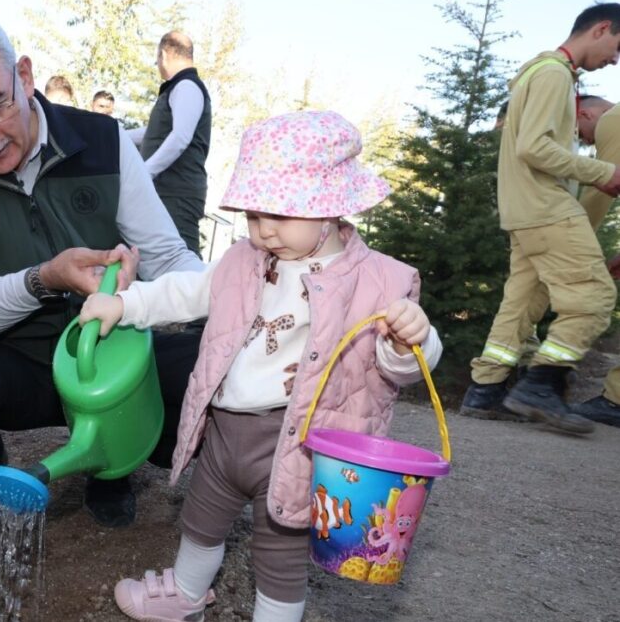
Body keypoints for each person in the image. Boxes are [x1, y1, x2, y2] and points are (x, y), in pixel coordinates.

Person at [80, 111, 442, 622]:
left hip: (299, 442)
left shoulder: (378, 281)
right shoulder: (244, 260)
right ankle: (186, 593)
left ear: (330, 206)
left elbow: (402, 367)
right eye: (253, 214)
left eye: (280, 214)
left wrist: (410, 340)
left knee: (280, 554)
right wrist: (125, 304)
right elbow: (186, 291)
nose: (264, 230)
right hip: (227, 429)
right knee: (200, 519)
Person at [0, 7, 205, 535]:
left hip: (110, 361)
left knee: (212, 368)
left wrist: (231, 301)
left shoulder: (104, 140)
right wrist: (43, 279)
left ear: (25, 76)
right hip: (12, 364)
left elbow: (169, 257)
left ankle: (113, 463)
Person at [458, 3, 620, 434]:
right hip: (546, 207)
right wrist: (603, 172)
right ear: (602, 29)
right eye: (618, 47)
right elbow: (534, 147)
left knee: (522, 303)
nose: (615, 60)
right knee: (594, 296)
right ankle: (541, 386)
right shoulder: (553, 74)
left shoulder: (539, 74)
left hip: (524, 211)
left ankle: (485, 389)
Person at [129, 32, 212, 257]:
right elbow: (154, 133)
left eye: (157, 58)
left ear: (164, 55)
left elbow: (180, 137)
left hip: (177, 193)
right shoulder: (180, 87)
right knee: (156, 256)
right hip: (166, 192)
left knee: (183, 259)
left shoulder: (187, 86)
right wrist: (117, 135)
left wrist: (145, 173)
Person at [573, 99, 620, 427]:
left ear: (585, 114)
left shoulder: (613, 120)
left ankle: (616, 401)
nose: (588, 143)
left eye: (582, 135)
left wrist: (568, 239)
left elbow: (605, 185)